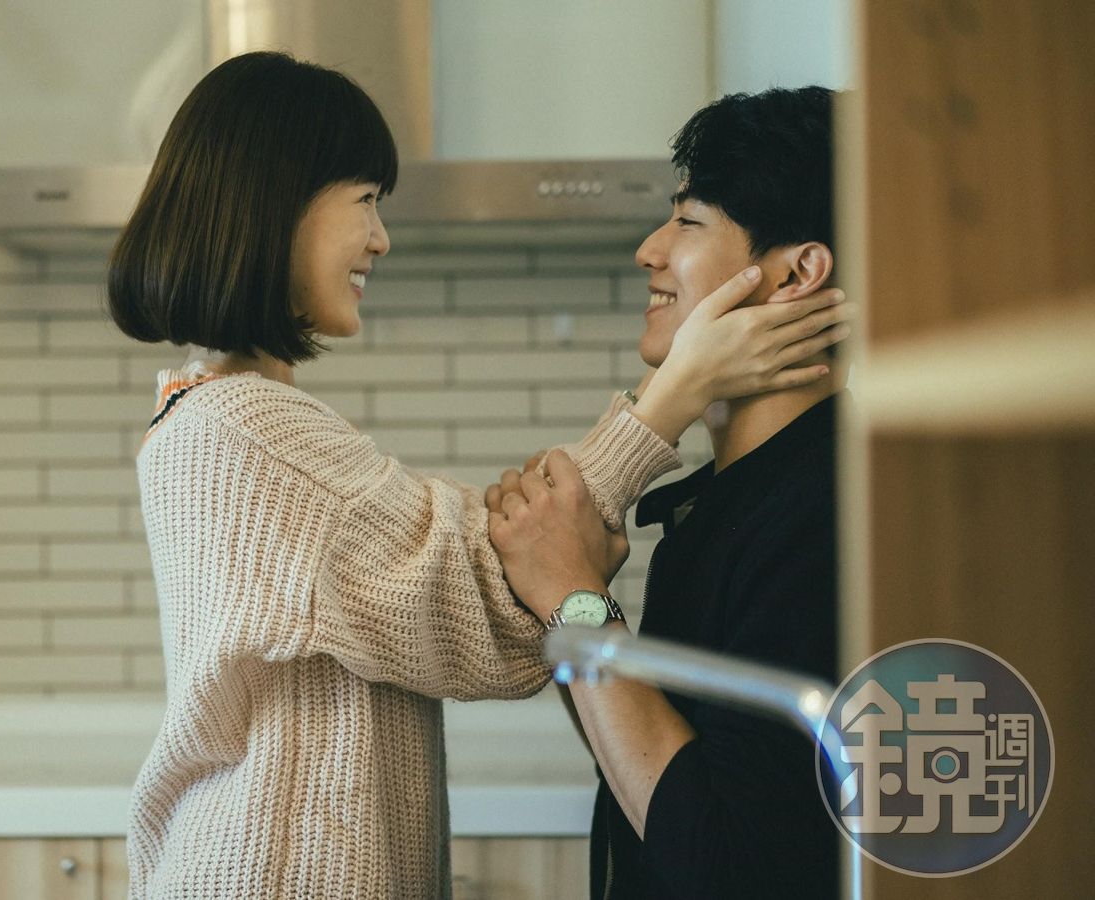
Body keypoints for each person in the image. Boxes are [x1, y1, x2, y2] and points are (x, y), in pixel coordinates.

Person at [111, 54, 849, 898]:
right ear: (277, 204)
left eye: (685, 221)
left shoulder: (245, 423)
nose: (382, 237)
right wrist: (666, 405)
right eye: (365, 200)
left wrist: (564, 574)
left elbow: (511, 583)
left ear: (799, 273)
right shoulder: (242, 431)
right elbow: (491, 586)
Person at [488, 86, 846, 899]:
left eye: (688, 221)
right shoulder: (728, 498)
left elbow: (724, 864)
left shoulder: (822, 513)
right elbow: (652, 769)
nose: (648, 250)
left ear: (797, 272)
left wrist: (577, 600)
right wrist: (575, 604)